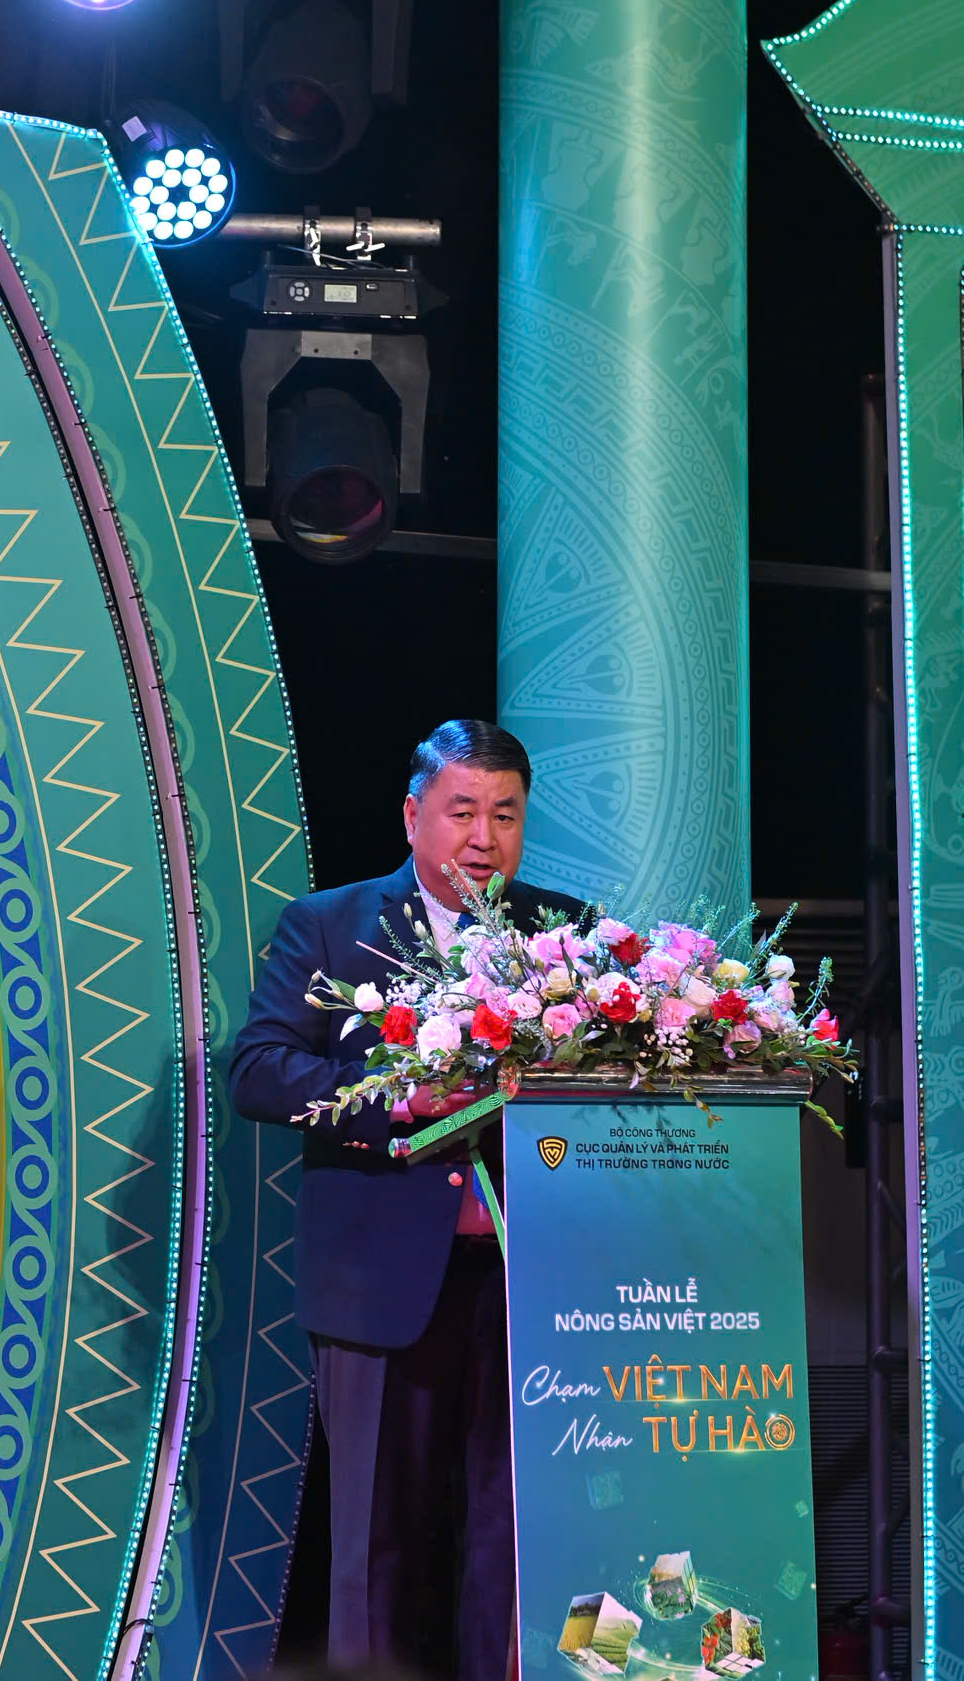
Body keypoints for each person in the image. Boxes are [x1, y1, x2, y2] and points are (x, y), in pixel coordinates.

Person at [229, 719, 581, 1681]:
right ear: (413, 816)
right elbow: (258, 1070)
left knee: (511, 1540)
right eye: (463, 812)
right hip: (380, 1280)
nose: (484, 838)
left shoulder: (565, 934)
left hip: (526, 1285)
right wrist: (397, 1101)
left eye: (505, 815)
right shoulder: (331, 924)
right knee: (380, 1549)